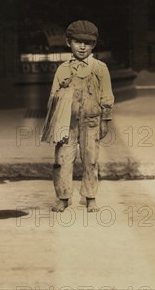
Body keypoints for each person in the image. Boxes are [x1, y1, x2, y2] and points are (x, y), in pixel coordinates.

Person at [41, 20, 114, 212]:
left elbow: (107, 95)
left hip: (91, 121)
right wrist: (53, 122)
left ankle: (90, 197)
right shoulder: (63, 69)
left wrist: (105, 120)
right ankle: (63, 197)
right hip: (66, 123)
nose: (82, 47)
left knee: (90, 159)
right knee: (62, 160)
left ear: (94, 45)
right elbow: (53, 96)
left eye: (87, 43)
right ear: (68, 43)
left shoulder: (100, 68)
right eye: (77, 42)